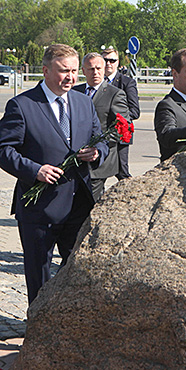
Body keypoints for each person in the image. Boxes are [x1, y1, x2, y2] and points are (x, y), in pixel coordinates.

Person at [0, 44, 108, 304]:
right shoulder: (22, 105)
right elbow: (3, 149)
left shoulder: (84, 102)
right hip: (40, 210)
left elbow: (100, 140)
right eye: (63, 71)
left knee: (77, 275)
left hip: (79, 204)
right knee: (39, 276)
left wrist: (97, 153)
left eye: (73, 71)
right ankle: (38, 332)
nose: (70, 77)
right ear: (46, 71)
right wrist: (35, 170)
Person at [74, 52, 130, 201]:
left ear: (104, 69)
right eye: (91, 69)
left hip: (99, 162)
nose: (95, 72)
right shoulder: (74, 92)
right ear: (83, 71)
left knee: (91, 204)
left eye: (99, 68)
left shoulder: (115, 94)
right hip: (76, 160)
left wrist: (99, 144)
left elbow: (123, 127)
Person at [101, 47, 140, 180]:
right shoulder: (96, 82)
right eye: (105, 60)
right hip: (99, 135)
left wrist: (115, 121)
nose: (108, 64)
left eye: (112, 60)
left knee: (122, 172)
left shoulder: (127, 82)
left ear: (118, 62)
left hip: (120, 135)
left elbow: (134, 111)